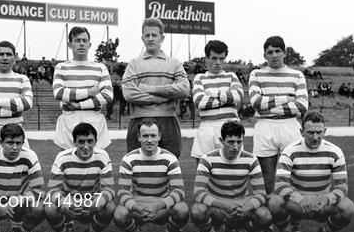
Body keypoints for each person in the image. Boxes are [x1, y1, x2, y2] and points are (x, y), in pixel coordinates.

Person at [248, 36, 308, 232]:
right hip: (265, 128)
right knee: (267, 180)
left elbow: (302, 106)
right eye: (270, 52)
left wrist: (269, 104)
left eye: (277, 51)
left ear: (284, 52)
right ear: (264, 54)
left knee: (294, 178)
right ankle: (268, 228)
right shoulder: (256, 73)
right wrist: (286, 98)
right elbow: (256, 103)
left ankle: (295, 228)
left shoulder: (297, 75)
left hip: (290, 126)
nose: (274, 55)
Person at [268, 111, 354, 232]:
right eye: (310, 132)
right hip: (297, 204)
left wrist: (327, 198)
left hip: (322, 204)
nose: (315, 137)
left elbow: (342, 185)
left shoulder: (335, 151)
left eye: (319, 132)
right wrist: (300, 199)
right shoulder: (290, 151)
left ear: (325, 131)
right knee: (274, 202)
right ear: (302, 132)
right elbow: (279, 184)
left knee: (348, 208)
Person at [191, 121, 271, 232]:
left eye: (239, 142)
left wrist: (245, 208)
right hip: (218, 204)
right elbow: (198, 193)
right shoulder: (207, 159)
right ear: (221, 140)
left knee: (265, 216)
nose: (235, 147)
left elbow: (261, 194)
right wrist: (224, 205)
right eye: (231, 142)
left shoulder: (251, 159)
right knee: (197, 211)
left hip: (241, 204)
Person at [114, 118, 189, 232]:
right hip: (138, 205)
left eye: (153, 135)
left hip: (161, 205)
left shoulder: (170, 158)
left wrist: (157, 206)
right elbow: (122, 192)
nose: (149, 140)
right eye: (145, 136)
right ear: (139, 137)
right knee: (119, 214)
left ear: (159, 136)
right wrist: (137, 208)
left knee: (182, 210)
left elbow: (179, 191)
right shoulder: (128, 159)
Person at [122, 18, 189, 158]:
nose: (150, 39)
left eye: (154, 35)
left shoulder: (174, 63)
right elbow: (129, 94)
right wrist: (165, 97)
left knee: (169, 166)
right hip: (139, 120)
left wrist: (151, 89)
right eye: (147, 35)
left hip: (168, 121)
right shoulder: (133, 64)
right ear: (142, 38)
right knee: (138, 167)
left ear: (162, 37)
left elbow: (184, 89)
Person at [44, 123, 116, 232]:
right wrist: (67, 203)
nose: (86, 146)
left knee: (110, 207)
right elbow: (52, 190)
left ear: (96, 141)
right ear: (74, 142)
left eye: (90, 141)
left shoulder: (102, 156)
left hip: (92, 199)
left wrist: (96, 203)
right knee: (49, 208)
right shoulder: (63, 157)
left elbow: (109, 189)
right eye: (81, 142)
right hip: (69, 201)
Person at [53, 26, 113, 149]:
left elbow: (107, 95)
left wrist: (79, 105)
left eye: (84, 41)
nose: (81, 44)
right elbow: (59, 93)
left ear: (89, 44)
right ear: (70, 45)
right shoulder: (61, 67)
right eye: (77, 40)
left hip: (94, 118)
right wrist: (89, 92)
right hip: (69, 119)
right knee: (68, 162)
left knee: (96, 163)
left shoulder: (100, 68)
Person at [191, 40, 243, 162]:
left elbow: (238, 96)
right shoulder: (200, 77)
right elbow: (199, 102)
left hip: (231, 126)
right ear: (206, 59)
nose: (218, 63)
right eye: (214, 58)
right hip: (207, 127)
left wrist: (212, 94)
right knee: (204, 168)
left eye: (221, 58)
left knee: (232, 169)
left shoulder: (231, 76)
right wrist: (227, 99)